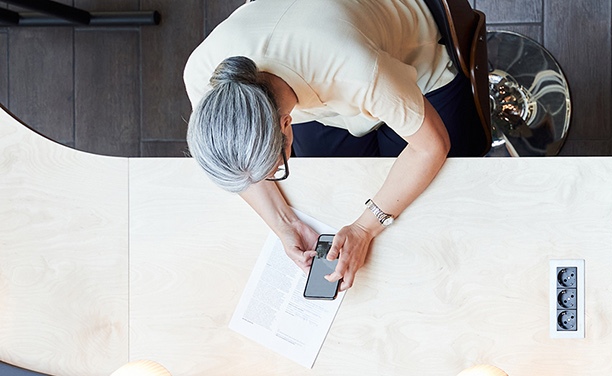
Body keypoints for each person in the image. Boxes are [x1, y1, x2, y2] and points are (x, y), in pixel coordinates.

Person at [183, 0, 487, 292]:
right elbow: (241, 169)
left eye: (274, 169)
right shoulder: (203, 77)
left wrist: (364, 229)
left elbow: (430, 147)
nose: (267, 179)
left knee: (441, 195)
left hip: (411, 71)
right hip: (326, 102)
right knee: (337, 190)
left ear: (285, 125)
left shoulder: (354, 70)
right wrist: (284, 223)